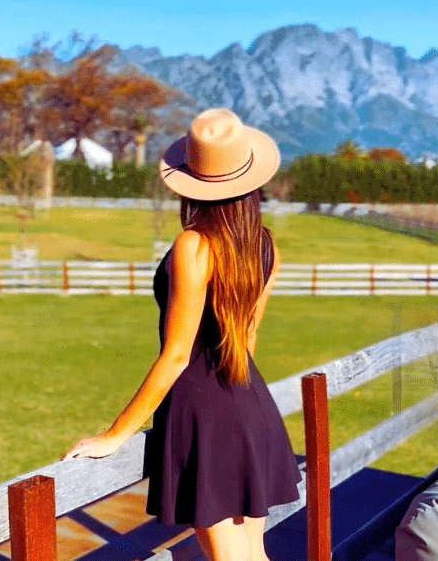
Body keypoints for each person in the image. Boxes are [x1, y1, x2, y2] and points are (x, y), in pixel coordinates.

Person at [64, 108, 300, 561]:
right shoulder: (266, 245)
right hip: (251, 403)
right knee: (254, 555)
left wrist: (114, 435)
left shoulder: (194, 245)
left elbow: (177, 354)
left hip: (204, 416)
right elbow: (246, 338)